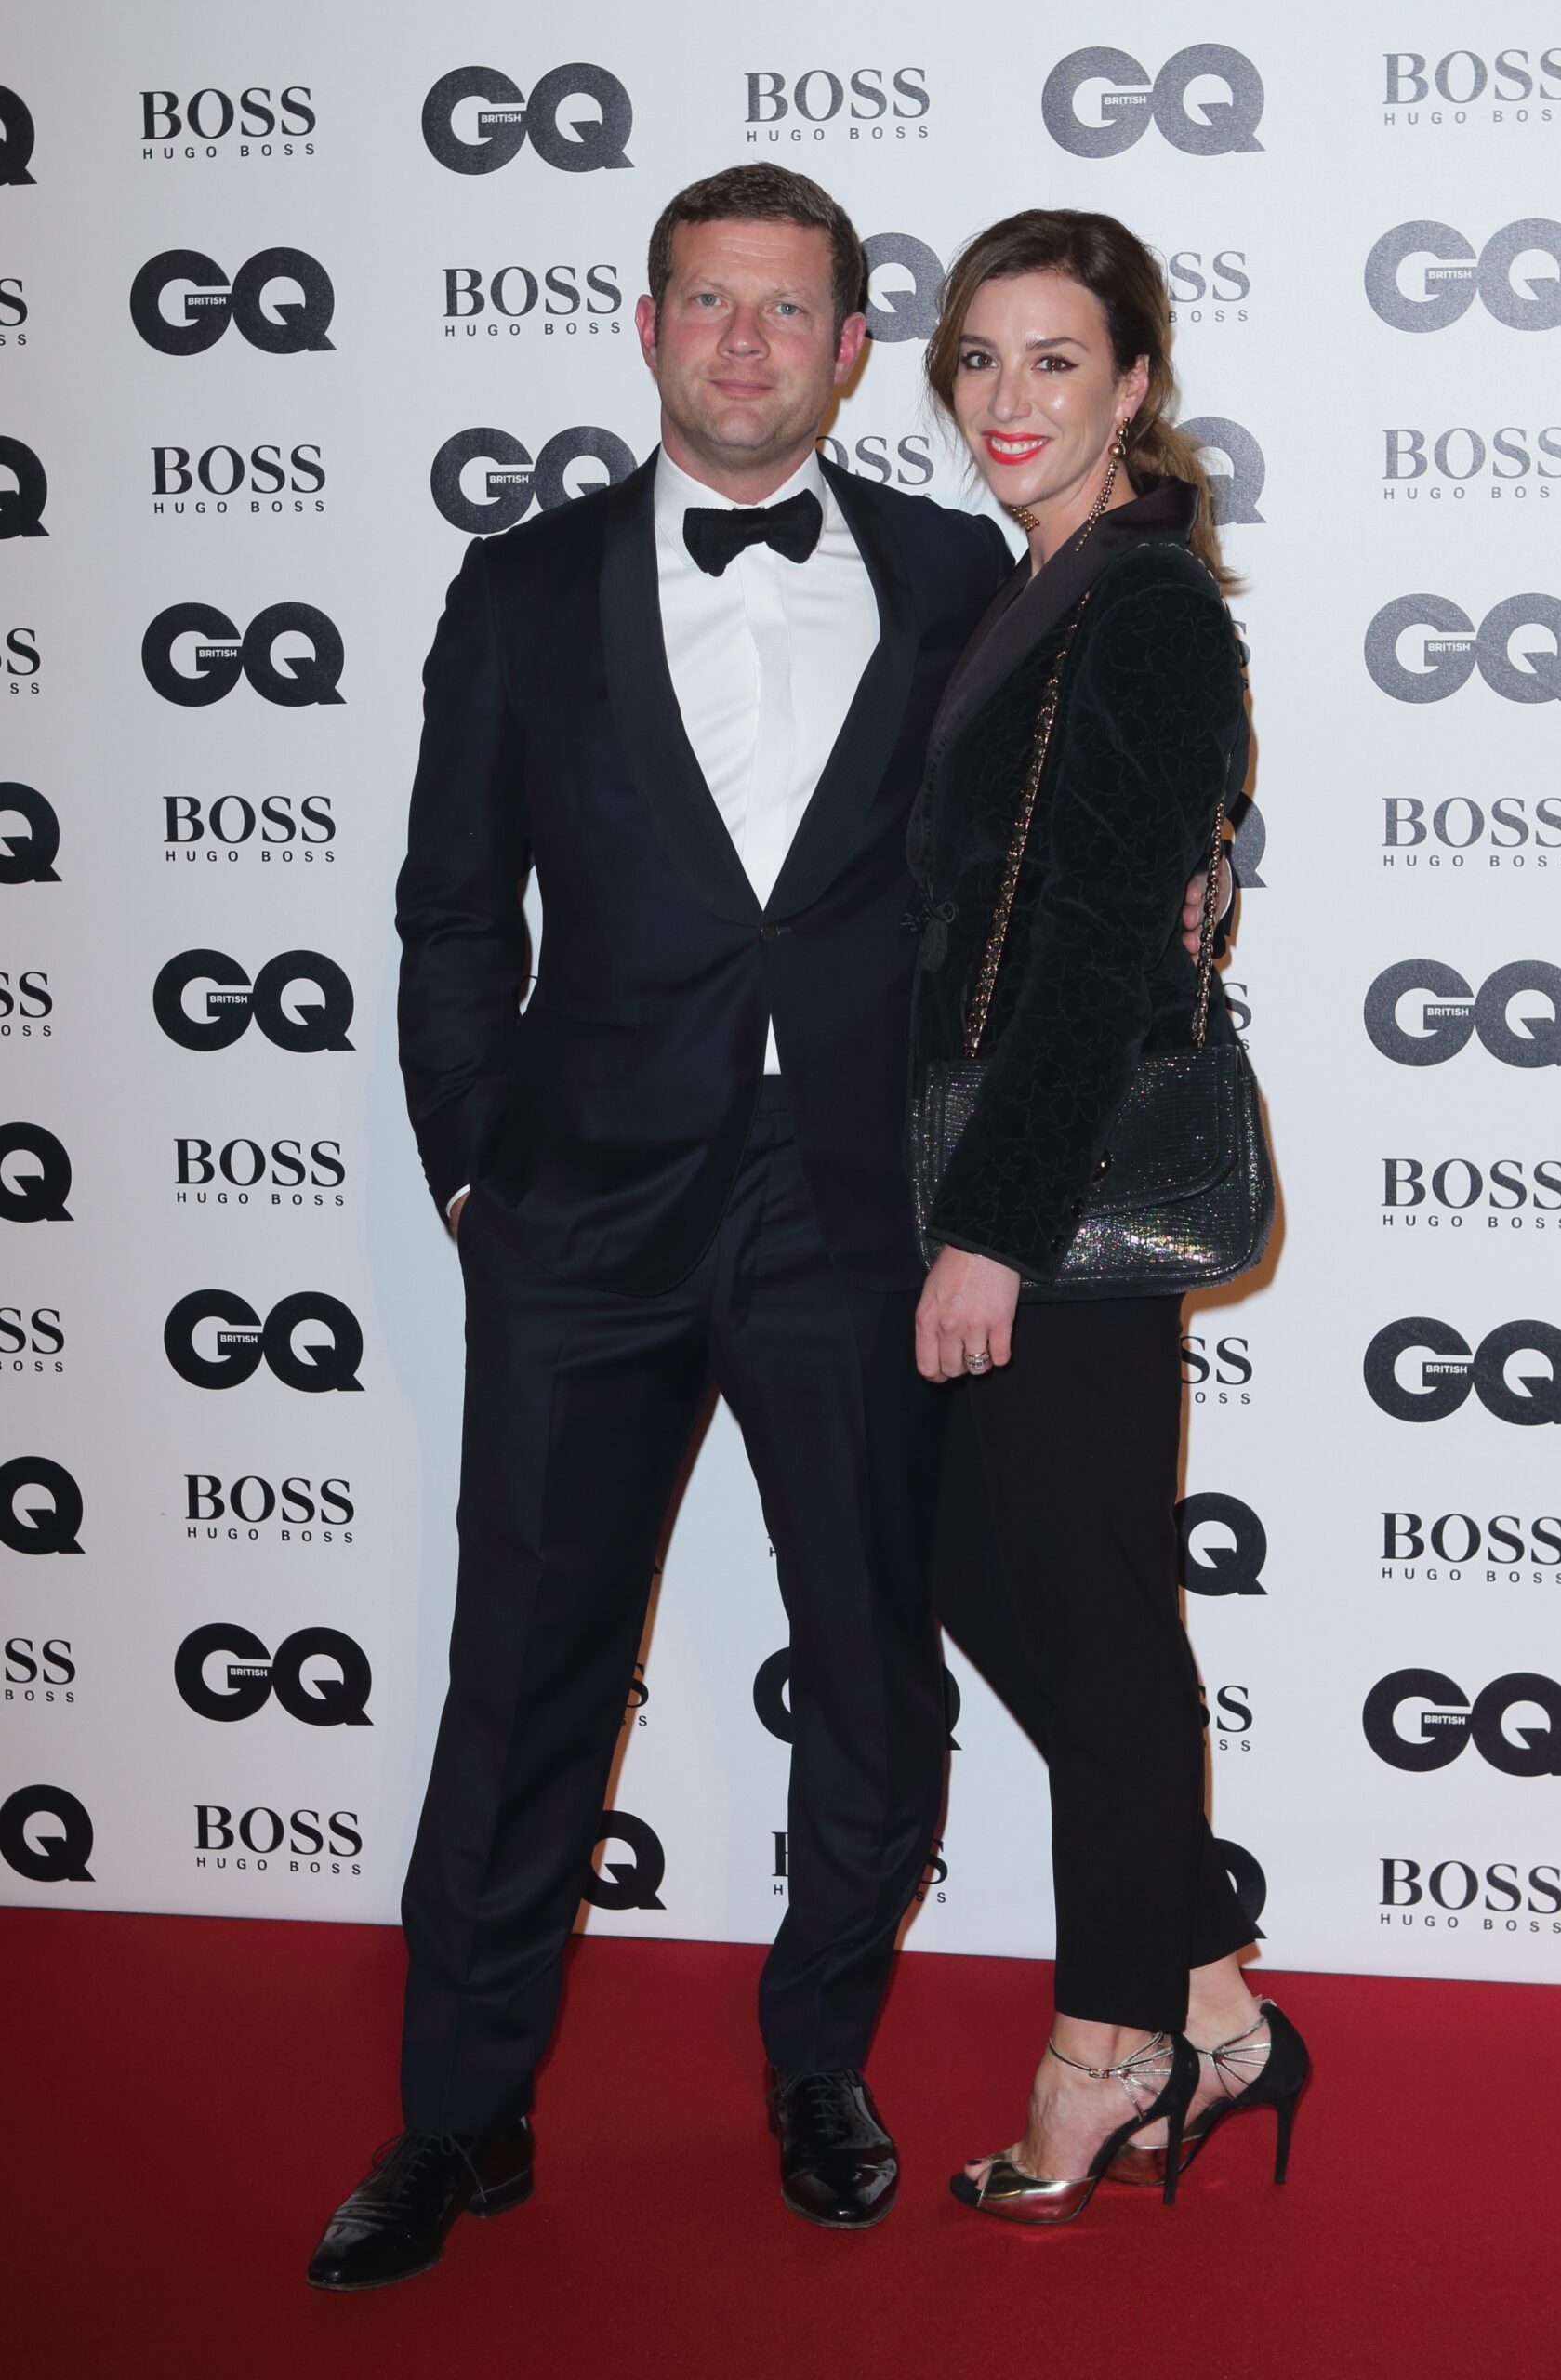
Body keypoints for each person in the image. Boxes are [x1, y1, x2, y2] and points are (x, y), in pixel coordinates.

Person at [307, 166, 1216, 2290]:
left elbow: (1070, 828)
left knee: (878, 1683)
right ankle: (457, 2115)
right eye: (706, 303)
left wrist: (1205, 869)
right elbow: (452, 910)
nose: (742, 343)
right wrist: (472, 1172)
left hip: (858, 1225)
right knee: (521, 1669)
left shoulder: (950, 575)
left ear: (840, 348)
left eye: (785, 309)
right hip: (581, 1226)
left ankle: (822, 2064)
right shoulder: (520, 592)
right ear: (649, 328)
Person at [907, 208, 1309, 2223]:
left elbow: (1083, 954)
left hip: (1052, 1199)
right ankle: (1211, 1988)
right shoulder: (1043, 583)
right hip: (1009, 1185)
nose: (1009, 396)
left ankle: (1109, 2038)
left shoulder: (1137, 604)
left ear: (1134, 384)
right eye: (979, 357)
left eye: (1055, 359)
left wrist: (990, 1223)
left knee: (1090, 1614)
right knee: (997, 1574)